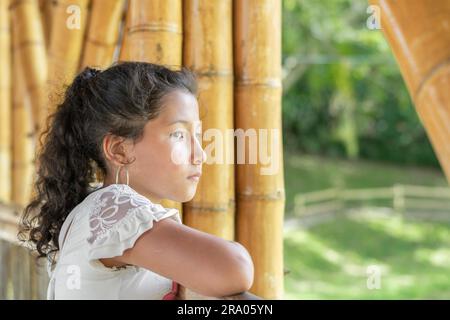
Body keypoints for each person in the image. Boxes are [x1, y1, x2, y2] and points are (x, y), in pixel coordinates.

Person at [19, 61, 254, 300]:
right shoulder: (114, 208)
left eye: (197, 135)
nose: (200, 154)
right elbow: (235, 268)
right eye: (178, 135)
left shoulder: (95, 210)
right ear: (120, 150)